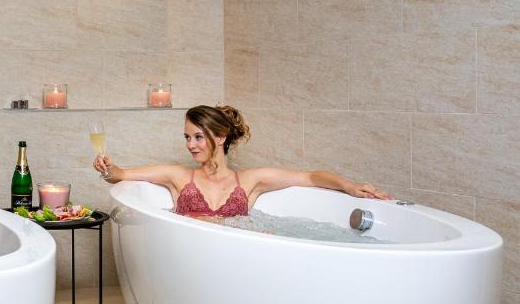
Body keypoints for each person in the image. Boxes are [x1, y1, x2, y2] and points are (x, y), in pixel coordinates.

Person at [94, 104, 390, 219]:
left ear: (221, 137)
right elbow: (122, 175)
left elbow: (310, 177)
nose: (190, 145)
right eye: (187, 137)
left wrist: (349, 186)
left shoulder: (249, 180)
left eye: (198, 137)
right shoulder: (178, 176)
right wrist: (108, 168)